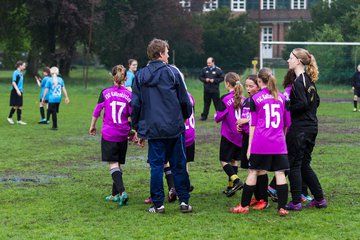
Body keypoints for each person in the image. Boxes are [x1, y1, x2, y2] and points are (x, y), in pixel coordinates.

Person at [132, 38, 193, 214]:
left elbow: (136, 104)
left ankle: (158, 204)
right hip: (174, 128)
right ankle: (183, 202)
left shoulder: (140, 75)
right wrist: (185, 116)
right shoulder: (172, 73)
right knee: (179, 165)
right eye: (166, 52)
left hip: (154, 129)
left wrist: (137, 127)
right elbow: (184, 99)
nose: (168, 55)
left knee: (156, 167)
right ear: (160, 54)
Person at [230, 68, 290, 217]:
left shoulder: (256, 99)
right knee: (280, 173)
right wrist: (281, 138)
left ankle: (244, 206)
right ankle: (282, 208)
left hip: (261, 142)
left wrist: (250, 146)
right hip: (278, 143)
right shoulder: (282, 97)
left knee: (252, 172)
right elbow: (286, 123)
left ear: (259, 81)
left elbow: (253, 125)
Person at [285, 48, 327, 210]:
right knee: (304, 165)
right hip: (311, 127)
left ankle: (296, 202)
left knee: (294, 165)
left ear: (298, 61)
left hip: (300, 129)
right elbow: (316, 102)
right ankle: (319, 199)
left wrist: (288, 106)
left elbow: (303, 104)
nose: (288, 61)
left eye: (290, 58)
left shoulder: (298, 81)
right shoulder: (309, 80)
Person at [267, 70, 313, 203]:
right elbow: (289, 109)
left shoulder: (288, 89)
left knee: (297, 161)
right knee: (297, 162)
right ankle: (278, 188)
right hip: (294, 129)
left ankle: (274, 187)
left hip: (294, 129)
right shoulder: (292, 89)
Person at [89, 65, 132, 206]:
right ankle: (115, 194)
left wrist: (92, 125)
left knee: (113, 164)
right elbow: (132, 115)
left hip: (109, 134)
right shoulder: (129, 95)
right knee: (118, 163)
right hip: (123, 134)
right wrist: (133, 131)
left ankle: (122, 192)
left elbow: (97, 110)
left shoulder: (105, 92)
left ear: (112, 77)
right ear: (125, 78)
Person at [236, 75, 269, 210]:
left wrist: (245, 121)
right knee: (252, 168)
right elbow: (245, 116)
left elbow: (262, 118)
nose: (248, 88)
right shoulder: (247, 100)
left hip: (257, 139)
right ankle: (258, 197)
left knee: (259, 169)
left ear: (259, 85)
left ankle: (264, 199)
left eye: (251, 86)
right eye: (247, 86)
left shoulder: (260, 100)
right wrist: (240, 127)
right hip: (246, 137)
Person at [214, 72, 244, 197]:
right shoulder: (243, 98)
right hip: (241, 135)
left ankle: (236, 180)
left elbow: (218, 117)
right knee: (234, 160)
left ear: (227, 84)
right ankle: (231, 187)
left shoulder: (225, 98)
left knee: (223, 160)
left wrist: (216, 115)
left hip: (229, 135)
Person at [7, 61, 27, 125]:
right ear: (20, 66)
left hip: (20, 91)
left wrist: (20, 90)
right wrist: (17, 90)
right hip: (15, 91)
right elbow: (13, 82)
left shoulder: (21, 73)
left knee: (20, 106)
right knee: (15, 106)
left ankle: (19, 120)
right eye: (23, 65)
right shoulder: (15, 72)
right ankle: (9, 117)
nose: (24, 67)